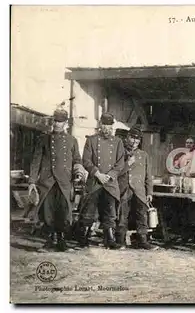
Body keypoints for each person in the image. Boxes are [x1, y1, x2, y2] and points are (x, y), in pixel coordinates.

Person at [28, 108, 84, 252]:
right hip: (47, 181)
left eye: (60, 121)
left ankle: (62, 242)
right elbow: (36, 161)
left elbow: (77, 159)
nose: (57, 124)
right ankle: (49, 242)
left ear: (65, 123)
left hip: (65, 181)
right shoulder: (44, 139)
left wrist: (78, 172)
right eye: (55, 121)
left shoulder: (72, 140)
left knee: (64, 211)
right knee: (48, 212)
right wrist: (32, 182)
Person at [76, 112, 125, 250]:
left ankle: (109, 238)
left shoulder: (118, 142)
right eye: (105, 125)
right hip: (95, 181)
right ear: (100, 125)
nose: (107, 129)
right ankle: (83, 237)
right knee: (89, 210)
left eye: (110, 126)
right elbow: (86, 160)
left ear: (112, 127)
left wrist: (109, 175)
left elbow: (120, 163)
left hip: (110, 182)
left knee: (110, 211)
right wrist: (97, 174)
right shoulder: (91, 140)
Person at [114, 126, 158, 250]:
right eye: (132, 138)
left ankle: (143, 241)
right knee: (122, 215)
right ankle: (120, 240)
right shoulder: (119, 153)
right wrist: (127, 164)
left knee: (141, 215)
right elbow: (116, 172)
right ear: (127, 138)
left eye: (137, 140)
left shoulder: (144, 155)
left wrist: (149, 192)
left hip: (139, 191)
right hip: (124, 189)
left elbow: (148, 176)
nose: (134, 142)